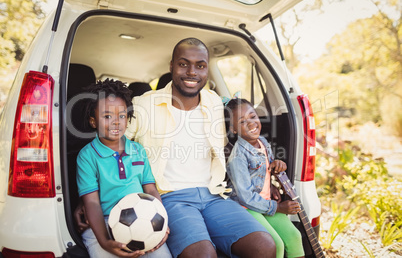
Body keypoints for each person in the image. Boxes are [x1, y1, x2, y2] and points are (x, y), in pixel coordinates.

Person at [76, 38, 276, 258]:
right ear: (171, 66)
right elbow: (113, 145)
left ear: (207, 70)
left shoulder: (217, 104)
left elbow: (247, 129)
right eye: (183, 64)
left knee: (264, 246)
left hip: (214, 194)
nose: (192, 72)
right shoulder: (144, 105)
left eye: (200, 65)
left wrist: (265, 176)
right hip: (169, 197)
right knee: (203, 255)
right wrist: (87, 200)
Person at [76, 79, 171, 258]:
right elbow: (92, 203)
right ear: (93, 121)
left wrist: (161, 222)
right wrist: (104, 241)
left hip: (145, 217)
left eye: (121, 116)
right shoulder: (87, 156)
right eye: (107, 116)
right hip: (103, 223)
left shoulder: (138, 150)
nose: (116, 122)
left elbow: (150, 189)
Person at [224, 98, 305, 258]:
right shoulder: (238, 157)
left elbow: (265, 170)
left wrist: (276, 166)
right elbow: (245, 197)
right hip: (247, 208)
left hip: (266, 202)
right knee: (276, 244)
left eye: (252, 116)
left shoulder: (262, 141)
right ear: (233, 129)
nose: (251, 123)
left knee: (294, 236)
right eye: (242, 121)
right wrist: (278, 208)